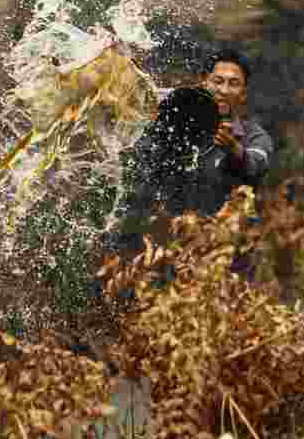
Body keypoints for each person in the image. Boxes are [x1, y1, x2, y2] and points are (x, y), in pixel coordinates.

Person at [109, 49, 275, 282]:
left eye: (233, 84)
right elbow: (137, 165)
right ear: (203, 82)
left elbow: (256, 164)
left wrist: (233, 149)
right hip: (167, 261)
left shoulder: (253, 137)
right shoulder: (176, 129)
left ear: (244, 94)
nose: (224, 90)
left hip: (228, 269)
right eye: (217, 81)